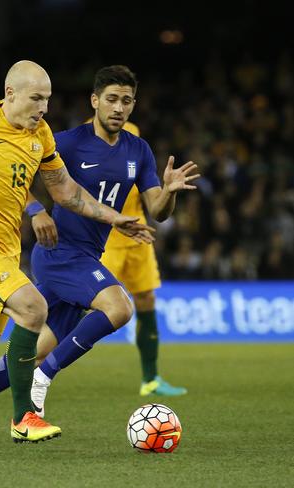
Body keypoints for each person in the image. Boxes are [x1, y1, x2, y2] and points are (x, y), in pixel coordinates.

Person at [0, 65, 198, 448]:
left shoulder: (139, 150)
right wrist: (36, 210)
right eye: (111, 99)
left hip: (87, 255)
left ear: (134, 105)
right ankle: (43, 380)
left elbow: (158, 210)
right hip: (59, 253)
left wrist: (170, 190)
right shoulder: (66, 141)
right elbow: (13, 177)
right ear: (95, 101)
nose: (119, 108)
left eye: (127, 101)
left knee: (27, 355)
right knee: (119, 308)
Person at [99, 122, 187, 396]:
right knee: (80, 306)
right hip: (105, 239)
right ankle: (39, 362)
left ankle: (151, 378)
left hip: (138, 237)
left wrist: (167, 190)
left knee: (146, 299)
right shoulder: (90, 140)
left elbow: (154, 202)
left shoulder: (136, 143)